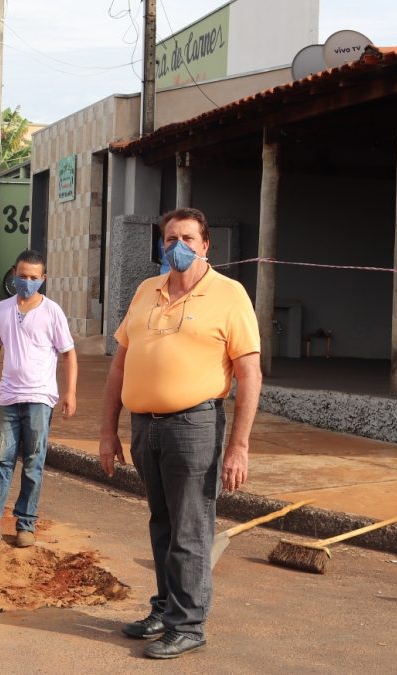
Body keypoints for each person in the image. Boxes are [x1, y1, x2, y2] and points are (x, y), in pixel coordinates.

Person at [98, 208, 261, 659]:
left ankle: (188, 624)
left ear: (206, 244)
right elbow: (118, 364)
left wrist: (238, 447)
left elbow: (249, 373)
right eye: (170, 238)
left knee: (190, 528)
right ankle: (167, 608)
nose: (177, 246)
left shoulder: (229, 295)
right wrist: (108, 431)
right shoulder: (146, 289)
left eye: (187, 238)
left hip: (195, 426)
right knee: (162, 523)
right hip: (145, 426)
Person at [0, 250, 78, 549]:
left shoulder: (52, 312)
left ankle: (26, 525)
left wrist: (70, 392)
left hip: (40, 398)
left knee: (34, 463)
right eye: (22, 276)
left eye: (33, 278)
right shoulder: (1, 310)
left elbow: (68, 355)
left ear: (43, 279)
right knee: (0, 461)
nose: (27, 282)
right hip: (9, 399)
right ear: (14, 273)